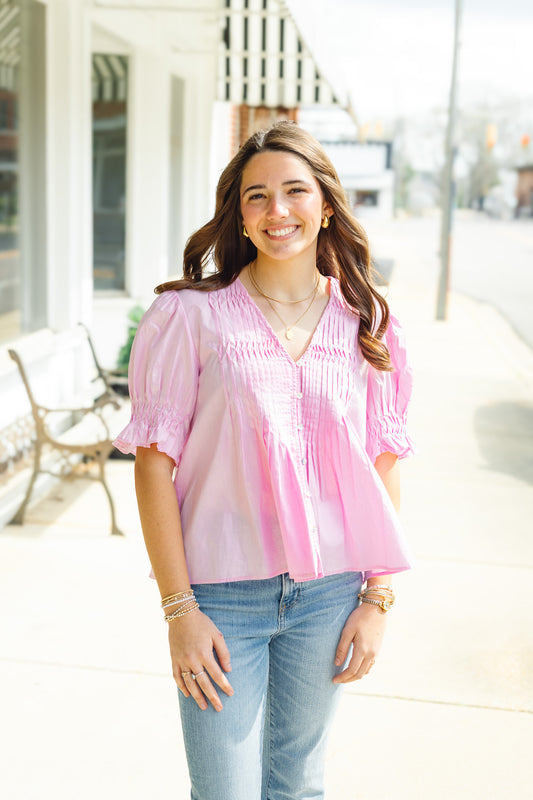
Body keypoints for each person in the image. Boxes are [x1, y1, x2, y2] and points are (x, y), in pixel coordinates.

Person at [113, 121, 414, 800]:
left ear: (326, 205)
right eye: (256, 196)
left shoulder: (367, 322)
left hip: (330, 595)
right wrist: (179, 610)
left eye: (294, 190)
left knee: (297, 785)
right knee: (223, 792)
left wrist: (377, 597)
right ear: (239, 215)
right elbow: (152, 466)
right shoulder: (190, 318)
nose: (276, 210)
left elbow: (383, 463)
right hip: (220, 600)